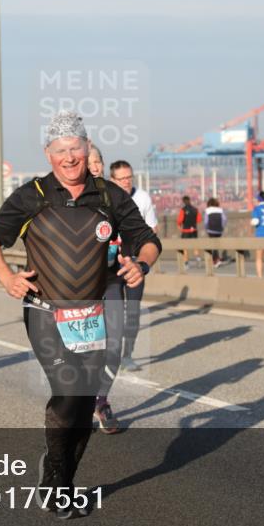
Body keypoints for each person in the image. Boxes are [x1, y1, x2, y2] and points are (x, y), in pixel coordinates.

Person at [0, 111, 161, 518]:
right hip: (45, 311)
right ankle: (58, 489)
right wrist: (7, 276)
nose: (69, 157)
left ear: (86, 148)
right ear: (49, 154)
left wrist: (141, 264)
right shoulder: (32, 195)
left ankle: (59, 472)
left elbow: (147, 240)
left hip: (92, 315)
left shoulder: (110, 195)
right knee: (68, 394)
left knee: (83, 406)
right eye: (60, 151)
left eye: (75, 149)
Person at [95, 159, 161, 435]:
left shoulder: (141, 198)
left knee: (128, 315)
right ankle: (78, 401)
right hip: (98, 274)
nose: (126, 182)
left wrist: (141, 257)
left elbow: (153, 232)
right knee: (88, 340)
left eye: (129, 178)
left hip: (132, 264)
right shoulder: (96, 197)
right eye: (120, 178)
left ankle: (126, 357)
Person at [176, 195, 201, 267]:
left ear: (183, 201)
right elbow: (199, 220)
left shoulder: (183, 210)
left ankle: (186, 262)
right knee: (195, 245)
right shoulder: (195, 209)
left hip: (186, 230)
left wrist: (179, 226)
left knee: (185, 247)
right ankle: (198, 258)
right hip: (194, 230)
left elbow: (179, 220)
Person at [204, 197, 227, 266]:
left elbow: (206, 222)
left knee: (213, 245)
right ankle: (216, 259)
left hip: (210, 230)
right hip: (219, 230)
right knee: (216, 244)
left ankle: (215, 260)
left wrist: (207, 228)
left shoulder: (207, 210)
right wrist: (222, 227)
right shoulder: (220, 210)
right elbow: (224, 219)